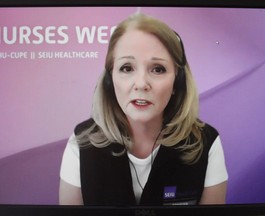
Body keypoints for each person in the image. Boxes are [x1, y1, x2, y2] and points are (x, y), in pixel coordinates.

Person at [59, 12, 228, 206]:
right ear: (109, 81)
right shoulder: (81, 142)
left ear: (177, 83)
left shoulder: (206, 142)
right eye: (127, 68)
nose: (141, 84)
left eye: (157, 69)